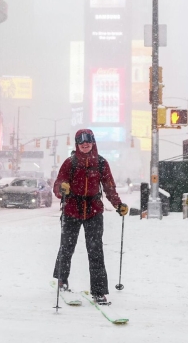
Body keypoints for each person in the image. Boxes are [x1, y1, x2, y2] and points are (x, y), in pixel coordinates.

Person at [52, 129, 128, 306]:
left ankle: (99, 291)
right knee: (67, 248)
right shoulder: (70, 163)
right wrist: (62, 188)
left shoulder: (101, 163)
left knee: (96, 251)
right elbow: (57, 185)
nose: (85, 144)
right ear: (77, 144)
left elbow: (109, 187)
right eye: (81, 142)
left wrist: (118, 205)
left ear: (93, 143)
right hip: (72, 210)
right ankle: (62, 279)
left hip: (94, 211)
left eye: (88, 141)